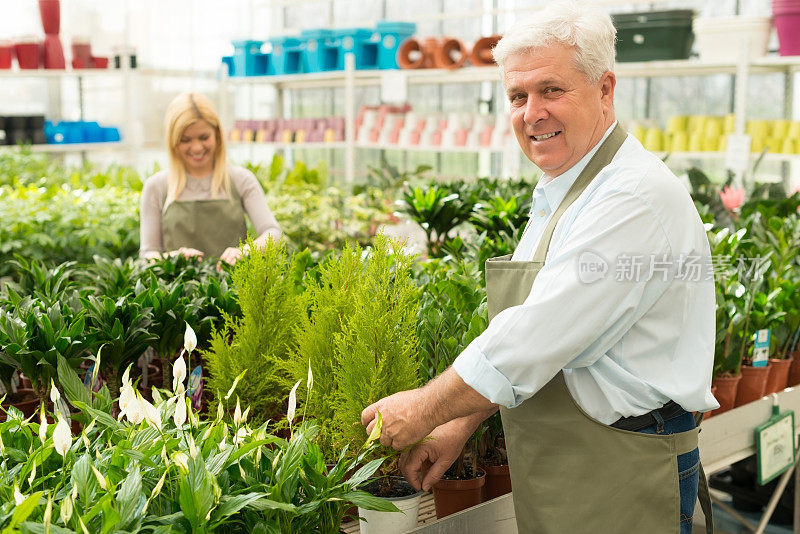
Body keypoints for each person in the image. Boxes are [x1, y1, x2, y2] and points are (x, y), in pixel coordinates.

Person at [360, 2, 718, 533]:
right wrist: (464, 420)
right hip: (577, 464)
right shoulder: (568, 188)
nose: (532, 113)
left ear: (604, 90)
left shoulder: (630, 197)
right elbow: (533, 322)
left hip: (623, 470)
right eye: (517, 96)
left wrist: (427, 408)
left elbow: (538, 335)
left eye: (551, 90)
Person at [139, 92, 281, 264]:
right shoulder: (157, 186)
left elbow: (273, 233)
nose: (197, 147)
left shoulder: (240, 180)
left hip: (234, 287)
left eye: (204, 137)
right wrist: (175, 258)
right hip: (175, 288)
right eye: (185, 140)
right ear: (173, 141)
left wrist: (244, 251)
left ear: (217, 135)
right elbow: (148, 253)